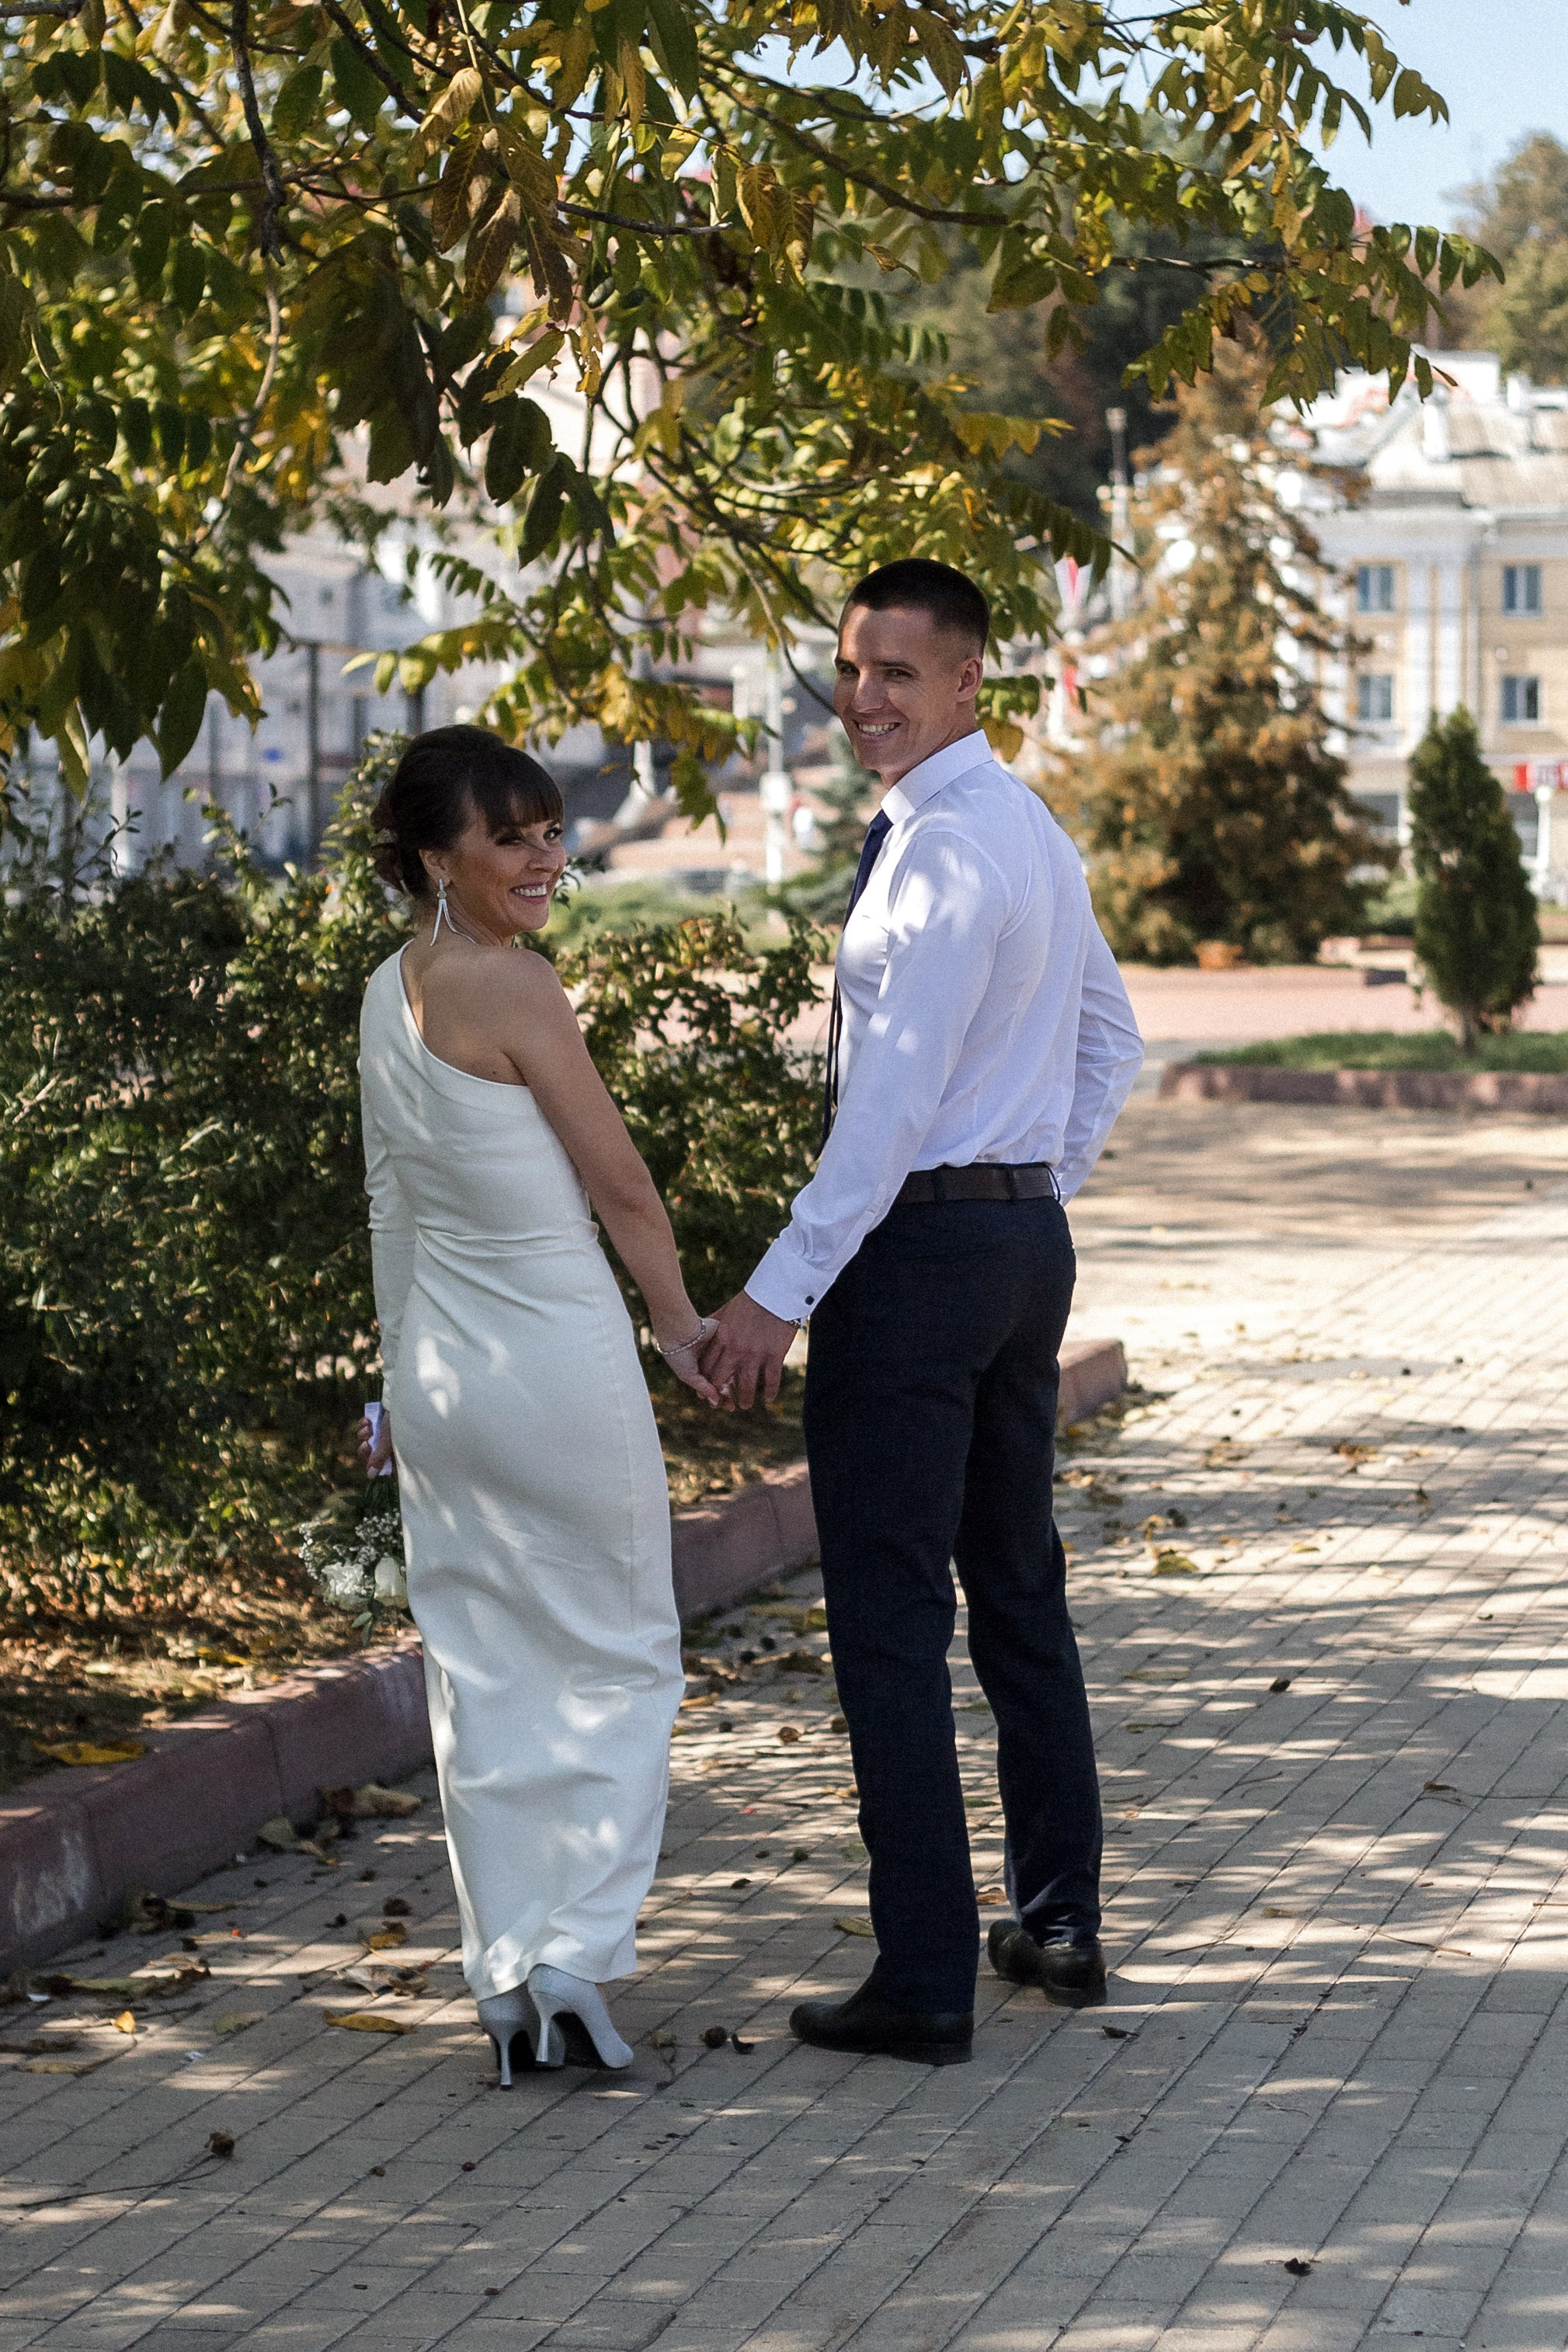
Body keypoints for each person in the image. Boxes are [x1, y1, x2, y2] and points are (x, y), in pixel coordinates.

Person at [701, 561, 1144, 2065]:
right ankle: (1059, 1916)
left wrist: (776, 1289)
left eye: (898, 670)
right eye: (849, 667)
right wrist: (1030, 1181)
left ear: (969, 683)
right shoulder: (1028, 828)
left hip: (924, 1256)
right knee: (1015, 1582)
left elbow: (884, 1111)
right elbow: (1108, 1036)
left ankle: (925, 1976)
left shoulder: (948, 850)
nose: (865, 696)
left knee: (889, 1615)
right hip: (1017, 1247)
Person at [356, 725, 718, 2084]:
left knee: (487, 1675)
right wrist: (680, 1329)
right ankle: (574, 1955)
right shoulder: (518, 988)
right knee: (619, 1657)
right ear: (439, 855)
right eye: (512, 837)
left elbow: (391, 1206)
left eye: (554, 832)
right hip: (558, 1368)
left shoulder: (388, 993)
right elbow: (621, 1184)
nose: (545, 859)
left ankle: (503, 1976)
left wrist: (395, 1381)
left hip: (448, 1385)